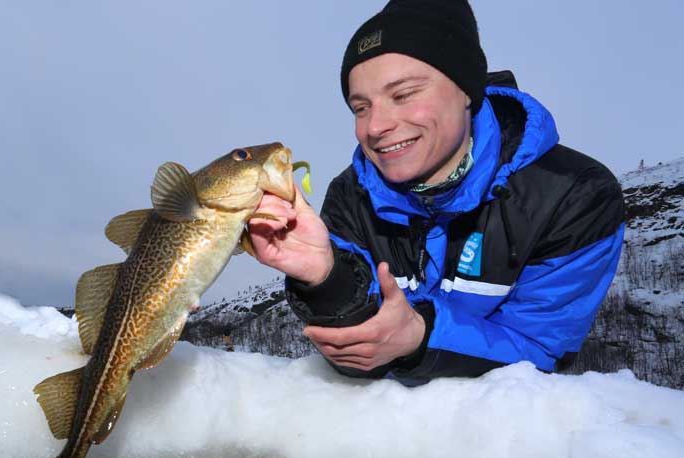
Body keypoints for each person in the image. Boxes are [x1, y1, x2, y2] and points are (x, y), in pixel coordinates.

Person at [248, 0, 624, 384]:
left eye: (404, 94)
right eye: (361, 108)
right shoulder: (350, 195)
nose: (375, 126)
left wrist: (420, 336)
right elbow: (359, 357)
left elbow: (540, 353)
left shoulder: (574, 194)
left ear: (467, 90)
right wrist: (327, 278)